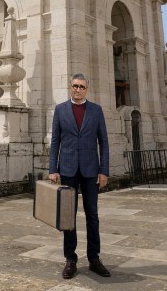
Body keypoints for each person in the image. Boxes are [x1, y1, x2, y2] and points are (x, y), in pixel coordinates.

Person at [49, 73, 111, 279]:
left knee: (92, 216)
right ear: (70, 87)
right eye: (75, 86)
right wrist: (52, 169)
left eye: (81, 87)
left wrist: (104, 171)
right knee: (69, 217)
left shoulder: (96, 110)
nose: (78, 89)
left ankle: (94, 258)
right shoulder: (60, 110)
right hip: (67, 170)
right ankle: (71, 259)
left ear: (87, 89)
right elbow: (55, 142)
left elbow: (104, 142)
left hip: (91, 171)